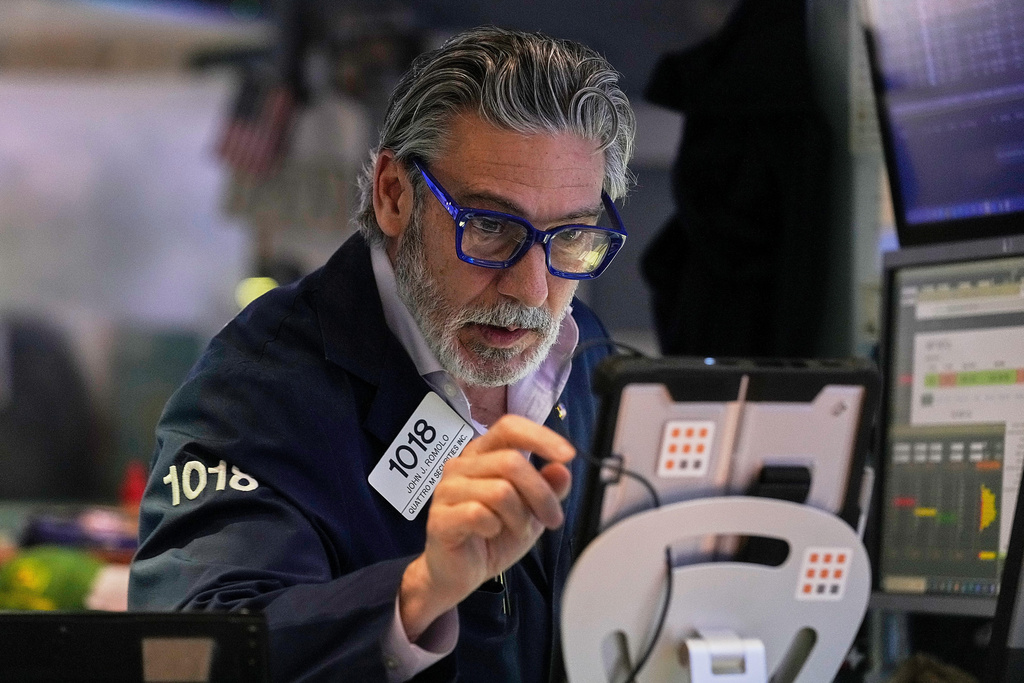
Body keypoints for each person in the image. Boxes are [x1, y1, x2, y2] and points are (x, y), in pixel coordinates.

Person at [129, 26, 635, 682]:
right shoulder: (254, 391)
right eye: (488, 226)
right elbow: (192, 651)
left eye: (570, 236)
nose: (531, 289)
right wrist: (420, 590)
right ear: (395, 196)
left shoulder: (587, 355)